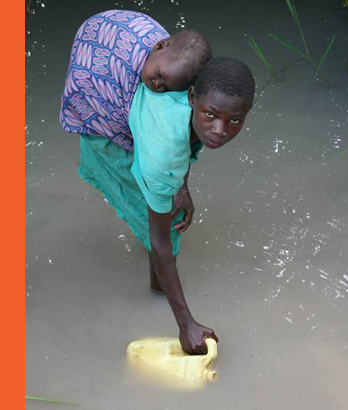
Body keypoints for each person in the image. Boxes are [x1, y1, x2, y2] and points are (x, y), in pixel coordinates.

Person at [61, 56, 256, 355]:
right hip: (105, 135)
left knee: (163, 213)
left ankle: (160, 283)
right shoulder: (163, 158)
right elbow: (161, 241)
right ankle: (157, 290)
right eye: (211, 115)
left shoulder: (195, 95)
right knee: (161, 229)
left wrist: (183, 186)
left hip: (155, 137)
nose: (220, 130)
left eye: (234, 120)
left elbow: (186, 140)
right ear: (192, 98)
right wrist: (185, 323)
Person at [60, 9, 212, 152]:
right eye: (159, 75)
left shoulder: (169, 67)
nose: (157, 84)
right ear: (159, 46)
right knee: (104, 148)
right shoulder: (122, 65)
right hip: (94, 44)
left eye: (166, 88)